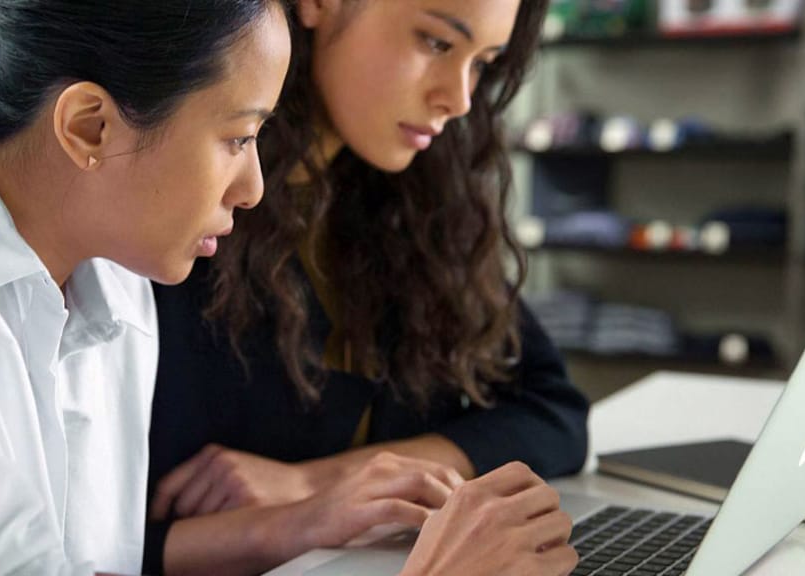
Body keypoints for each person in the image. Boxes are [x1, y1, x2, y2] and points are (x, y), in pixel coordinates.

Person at [0, 2, 576, 575]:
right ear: (89, 127)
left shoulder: (112, 287)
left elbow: (98, 562)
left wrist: (304, 516)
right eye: (237, 138)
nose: (254, 189)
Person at [147, 0, 589, 568]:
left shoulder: (416, 202)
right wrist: (296, 515)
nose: (459, 99)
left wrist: (319, 481)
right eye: (435, 42)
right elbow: (85, 549)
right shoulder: (174, 222)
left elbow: (553, 411)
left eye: (482, 63)